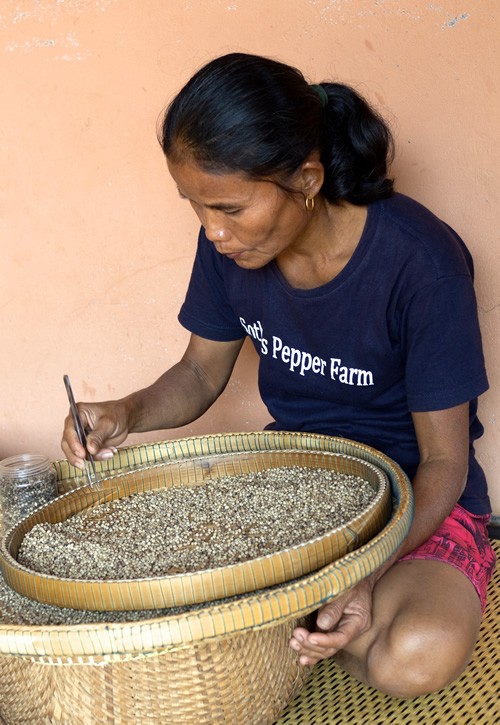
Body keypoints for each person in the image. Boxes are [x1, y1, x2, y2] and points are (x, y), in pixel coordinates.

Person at [61, 52, 496, 698]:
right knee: (140, 584)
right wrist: (125, 412)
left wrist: (366, 572)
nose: (213, 230)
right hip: (297, 496)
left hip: (414, 505)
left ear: (308, 178)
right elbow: (199, 374)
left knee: (413, 655)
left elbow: (444, 466)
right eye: (196, 206)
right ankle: (300, 625)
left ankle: (284, 629)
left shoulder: (421, 266)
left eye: (230, 207)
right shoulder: (230, 250)